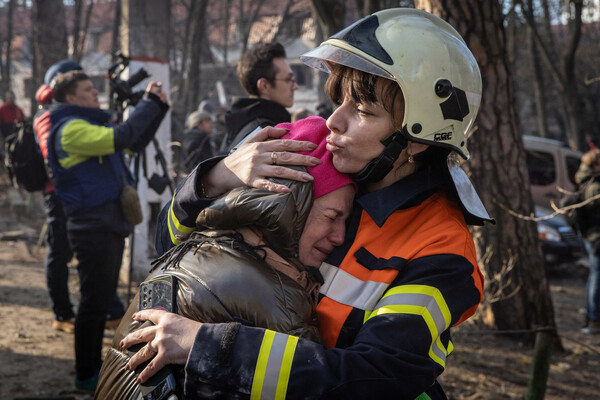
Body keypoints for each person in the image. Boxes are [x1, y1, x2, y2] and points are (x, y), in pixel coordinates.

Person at [122, 8, 493, 399]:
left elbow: (374, 379)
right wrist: (214, 178)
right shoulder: (321, 172)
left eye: (363, 110)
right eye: (340, 100)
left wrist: (210, 346)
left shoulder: (441, 250)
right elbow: (170, 252)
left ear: (416, 140)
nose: (334, 120)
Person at [95, 116, 355, 399]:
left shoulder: (205, 241)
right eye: (331, 217)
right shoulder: (277, 300)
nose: (339, 236)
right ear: (290, 205)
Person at [46, 69, 169, 392]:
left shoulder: (88, 127)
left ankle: (90, 371)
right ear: (70, 97)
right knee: (93, 303)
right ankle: (86, 374)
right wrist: (149, 102)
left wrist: (156, 107)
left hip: (105, 224)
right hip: (92, 226)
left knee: (98, 302)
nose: (96, 93)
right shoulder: (70, 129)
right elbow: (121, 138)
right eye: (88, 89)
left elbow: (133, 141)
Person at [34, 60, 125, 334]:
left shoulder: (60, 113)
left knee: (84, 258)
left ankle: (111, 310)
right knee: (60, 252)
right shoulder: (52, 117)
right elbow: (59, 156)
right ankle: (63, 313)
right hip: (62, 193)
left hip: (70, 192)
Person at [219, 42, 298, 153]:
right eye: (288, 79)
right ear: (264, 86)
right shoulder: (264, 133)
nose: (295, 87)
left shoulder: (238, 126)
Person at [575, 149, 600, 334]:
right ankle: (593, 320)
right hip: (596, 238)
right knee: (596, 278)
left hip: (591, 237)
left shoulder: (585, 180)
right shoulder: (594, 185)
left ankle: (592, 318)